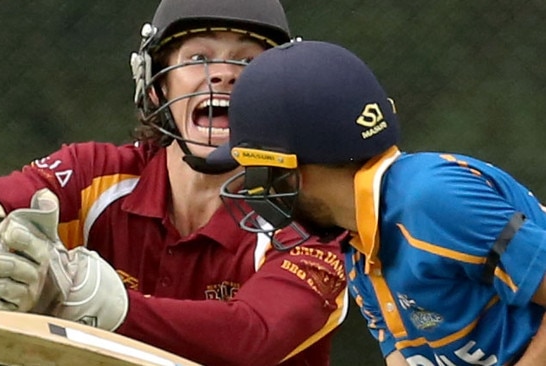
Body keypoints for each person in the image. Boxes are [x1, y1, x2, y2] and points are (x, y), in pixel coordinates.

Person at [0, 2, 350, 365]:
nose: (223, 74)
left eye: (247, 62)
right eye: (198, 58)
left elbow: (254, 336)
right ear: (157, 85)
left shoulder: (311, 212)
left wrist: (94, 303)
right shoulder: (92, 173)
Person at [207, 40, 546, 365]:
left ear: (296, 169)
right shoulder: (359, 246)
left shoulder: (432, 201)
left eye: (259, 171)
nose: (258, 188)